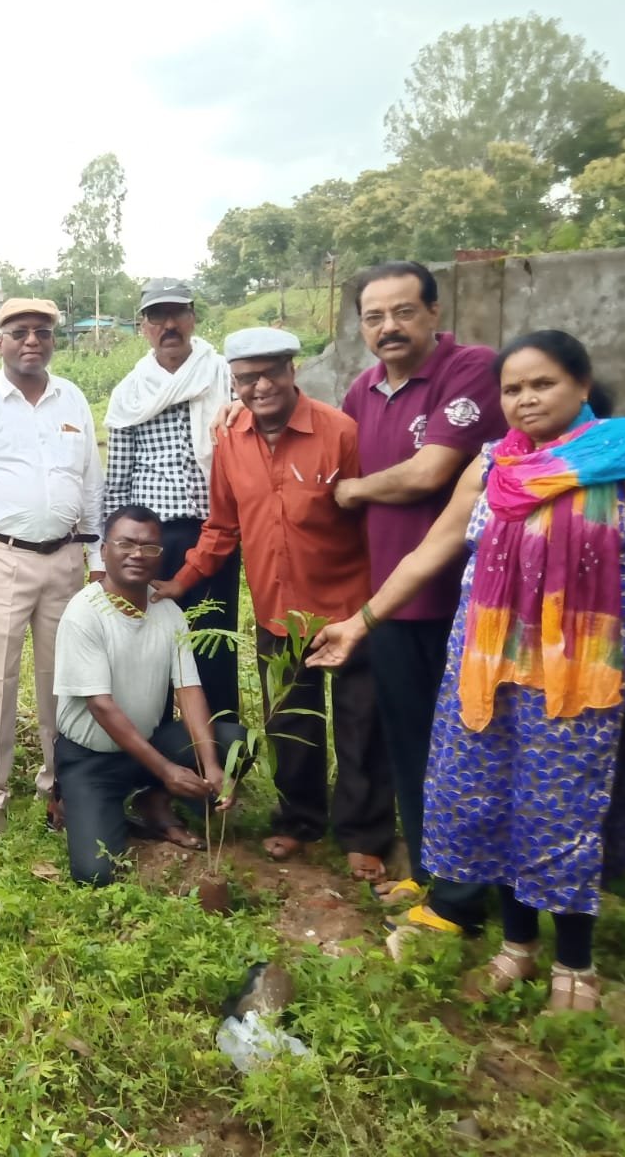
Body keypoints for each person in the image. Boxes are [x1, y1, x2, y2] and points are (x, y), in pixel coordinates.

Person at [310, 330, 625, 1008]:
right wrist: (360, 622)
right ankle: (517, 950)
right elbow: (428, 553)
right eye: (513, 388)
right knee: (491, 800)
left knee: (563, 810)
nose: (526, 399)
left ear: (582, 385)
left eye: (542, 384)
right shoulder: (492, 466)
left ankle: (576, 966)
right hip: (487, 671)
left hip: (581, 677)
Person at [153, 327, 395, 878]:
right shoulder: (231, 440)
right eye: (245, 378)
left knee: (361, 723)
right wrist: (182, 580)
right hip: (277, 612)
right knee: (291, 722)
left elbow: (372, 522)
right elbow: (221, 526)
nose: (258, 386)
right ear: (233, 383)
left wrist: (373, 608)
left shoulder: (339, 433)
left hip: (347, 608)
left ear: (293, 371)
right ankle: (300, 820)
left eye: (270, 373)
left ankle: (364, 833)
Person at [335, 261, 506, 931]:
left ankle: (465, 894)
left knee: (464, 747)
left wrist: (353, 490)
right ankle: (430, 873)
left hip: (462, 603)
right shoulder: (362, 390)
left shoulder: (471, 371)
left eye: (403, 312)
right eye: (375, 317)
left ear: (433, 313)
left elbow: (431, 472)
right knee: (410, 742)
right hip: (393, 602)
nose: (389, 327)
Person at [0, 297, 104, 838]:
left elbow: (91, 486)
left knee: (66, 681)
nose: (31, 341)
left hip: (64, 560)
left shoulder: (72, 399)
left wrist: (98, 559)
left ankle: (59, 785)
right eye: (19, 332)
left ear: (53, 341)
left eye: (42, 332)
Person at [53, 505, 247, 885]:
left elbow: (188, 689)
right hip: (91, 761)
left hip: (148, 745)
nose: (137, 555)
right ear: (105, 549)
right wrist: (168, 770)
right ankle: (75, 801)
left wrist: (210, 765)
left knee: (234, 740)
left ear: (161, 555)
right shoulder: (84, 614)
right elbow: (101, 706)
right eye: (126, 544)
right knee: (95, 873)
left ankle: (154, 800)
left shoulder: (169, 612)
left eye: (149, 547)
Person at [102, 278, 239, 720]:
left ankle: (218, 753)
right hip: (150, 539)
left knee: (212, 641)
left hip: (212, 531)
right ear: (144, 327)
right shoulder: (131, 392)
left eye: (177, 313)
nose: (169, 324)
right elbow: (119, 480)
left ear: (193, 317)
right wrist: (109, 551)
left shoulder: (224, 376)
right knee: (148, 648)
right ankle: (155, 758)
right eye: (157, 316)